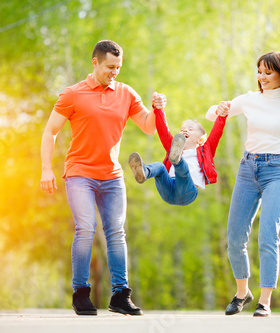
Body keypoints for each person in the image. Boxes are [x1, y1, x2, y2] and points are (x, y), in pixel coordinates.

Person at [40, 40, 167, 316]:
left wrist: (158, 109)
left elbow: (148, 127)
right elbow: (50, 131)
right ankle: (81, 293)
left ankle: (120, 295)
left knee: (116, 232)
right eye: (110, 66)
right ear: (95, 62)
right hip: (79, 173)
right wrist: (46, 169)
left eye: (119, 67)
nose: (115, 72)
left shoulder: (126, 93)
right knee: (86, 228)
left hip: (111, 176)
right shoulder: (73, 94)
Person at [206, 51, 280, 317]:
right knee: (234, 237)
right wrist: (219, 108)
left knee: (268, 235)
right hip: (247, 170)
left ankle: (264, 301)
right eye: (259, 72)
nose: (262, 77)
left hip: (278, 172)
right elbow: (211, 115)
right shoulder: (250, 99)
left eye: (268, 72)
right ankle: (242, 292)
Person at [128, 105, 228, 206]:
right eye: (182, 129)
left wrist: (222, 116)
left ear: (200, 140)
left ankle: (177, 160)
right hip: (169, 190)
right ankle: (145, 171)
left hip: (187, 191)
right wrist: (159, 109)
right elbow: (163, 131)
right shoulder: (172, 147)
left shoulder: (205, 151)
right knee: (160, 166)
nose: (184, 131)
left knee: (183, 169)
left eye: (190, 129)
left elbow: (216, 134)